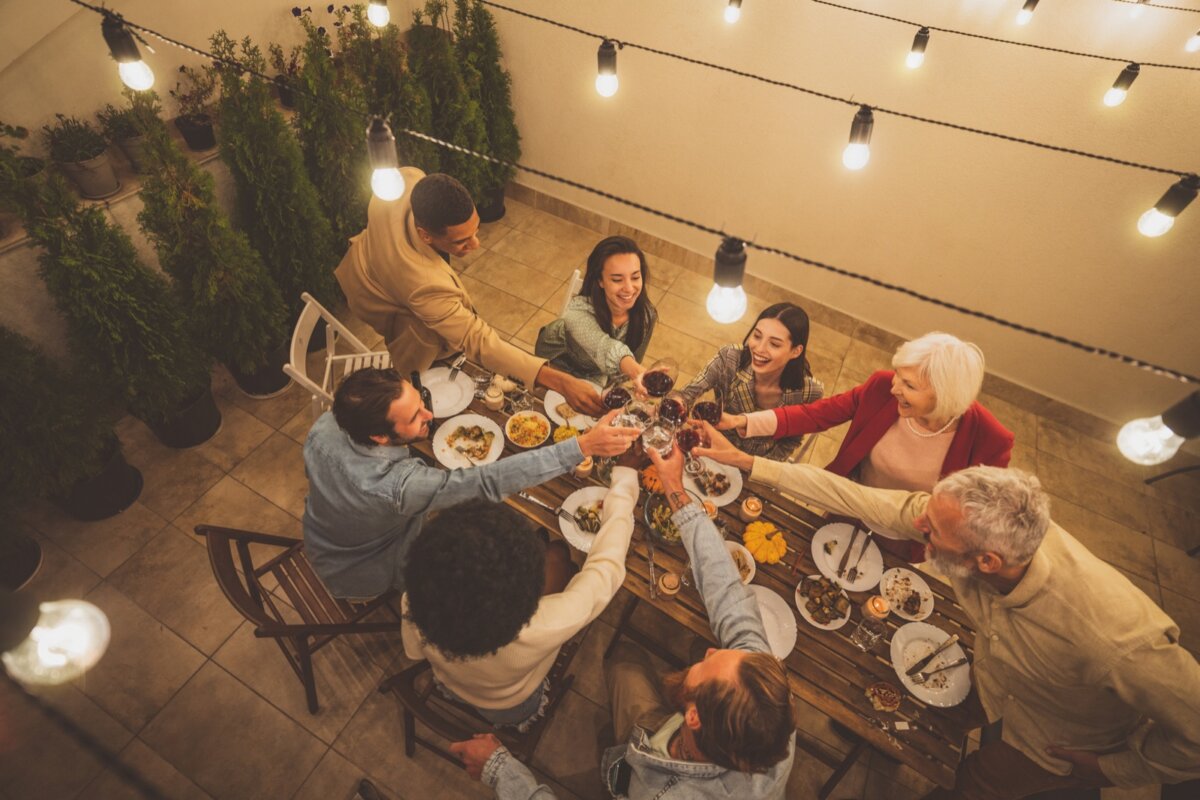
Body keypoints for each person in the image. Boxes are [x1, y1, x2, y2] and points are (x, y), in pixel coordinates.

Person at [694, 422, 1200, 800]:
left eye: (931, 530)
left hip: (1048, 739)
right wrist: (749, 462)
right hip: (990, 671)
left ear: (986, 561)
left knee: (973, 782)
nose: (917, 524)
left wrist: (1115, 771)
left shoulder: (1115, 637)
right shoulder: (964, 524)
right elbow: (859, 498)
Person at [448, 443, 797, 799]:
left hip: (647, 758)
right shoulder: (768, 706)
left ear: (693, 717)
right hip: (679, 736)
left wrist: (500, 770)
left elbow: (602, 575)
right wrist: (674, 486)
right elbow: (727, 590)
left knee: (624, 664)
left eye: (709, 666)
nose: (712, 650)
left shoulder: (661, 794)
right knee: (625, 659)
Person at [301, 367, 637, 598]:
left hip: (321, 533)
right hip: (365, 567)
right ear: (378, 436)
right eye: (415, 417)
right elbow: (486, 482)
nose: (429, 416)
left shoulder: (329, 423)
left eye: (421, 403)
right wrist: (582, 446)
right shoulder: (397, 488)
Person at [717, 331, 1012, 558]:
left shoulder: (991, 440)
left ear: (946, 397)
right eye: (899, 376)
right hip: (846, 508)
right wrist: (743, 422)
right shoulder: (883, 387)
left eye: (909, 386)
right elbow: (816, 415)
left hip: (903, 538)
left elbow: (975, 519)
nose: (894, 387)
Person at [402, 449, 640, 729]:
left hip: (450, 680)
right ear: (525, 597)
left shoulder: (419, 598)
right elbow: (606, 568)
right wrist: (624, 479)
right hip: (509, 705)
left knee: (554, 555)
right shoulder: (544, 628)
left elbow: (415, 653)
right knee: (558, 555)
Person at [335, 169, 603, 415]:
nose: (475, 244)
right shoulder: (423, 286)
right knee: (420, 374)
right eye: (461, 241)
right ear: (425, 235)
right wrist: (560, 380)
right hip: (371, 290)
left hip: (372, 253)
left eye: (475, 230)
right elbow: (477, 339)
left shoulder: (404, 179)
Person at [679, 302, 823, 461]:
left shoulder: (809, 393)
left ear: (795, 351)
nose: (759, 348)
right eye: (757, 335)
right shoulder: (730, 358)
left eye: (774, 344)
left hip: (756, 463)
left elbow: (790, 441)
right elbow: (688, 393)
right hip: (711, 446)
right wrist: (677, 402)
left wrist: (759, 468)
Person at [534, 235, 658, 388]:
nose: (629, 288)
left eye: (635, 277)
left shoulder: (647, 316)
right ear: (600, 280)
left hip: (596, 373)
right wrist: (636, 371)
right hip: (556, 360)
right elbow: (603, 346)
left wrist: (637, 378)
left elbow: (631, 366)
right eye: (617, 280)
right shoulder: (576, 311)